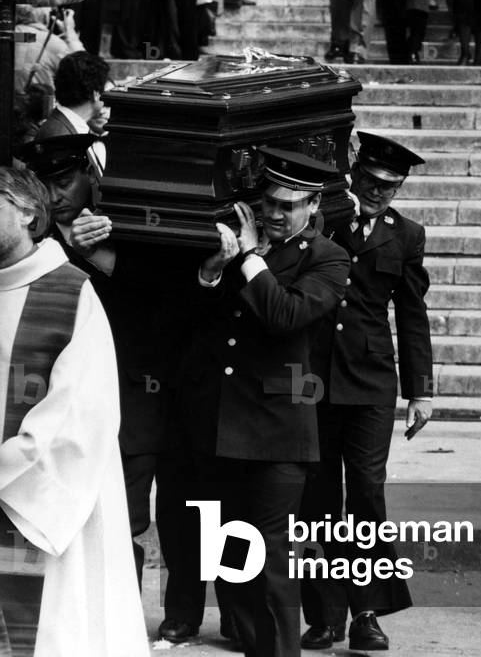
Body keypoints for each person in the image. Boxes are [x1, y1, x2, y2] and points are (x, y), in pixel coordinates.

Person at [160, 148, 350, 651]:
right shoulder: (237, 247)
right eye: (269, 201)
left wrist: (247, 259)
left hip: (278, 431)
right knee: (232, 560)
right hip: (221, 425)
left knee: (269, 559)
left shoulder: (328, 258)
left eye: (289, 205)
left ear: (312, 206)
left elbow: (284, 317)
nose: (274, 213)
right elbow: (194, 323)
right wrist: (211, 272)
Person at [17, 134, 200, 606]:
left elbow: (162, 298)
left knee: (182, 511)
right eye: (46, 185)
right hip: (79, 399)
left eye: (65, 182)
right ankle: (116, 617)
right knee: (118, 519)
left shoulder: (122, 225)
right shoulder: (31, 244)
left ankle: (180, 610)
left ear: (89, 177)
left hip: (150, 387)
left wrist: (99, 253)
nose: (56, 196)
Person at [0, 166, 149, 657]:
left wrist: (7, 466)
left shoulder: (70, 291)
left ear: (27, 212)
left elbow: (81, 411)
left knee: (52, 632)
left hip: (39, 502)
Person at [300, 132, 433, 651]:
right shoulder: (325, 218)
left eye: (390, 187)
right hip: (313, 377)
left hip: (372, 380)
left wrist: (421, 390)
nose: (379, 193)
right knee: (317, 500)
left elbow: (413, 315)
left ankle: (367, 612)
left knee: (367, 494)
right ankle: (326, 616)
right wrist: (334, 211)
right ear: (355, 174)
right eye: (372, 182)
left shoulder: (407, 235)